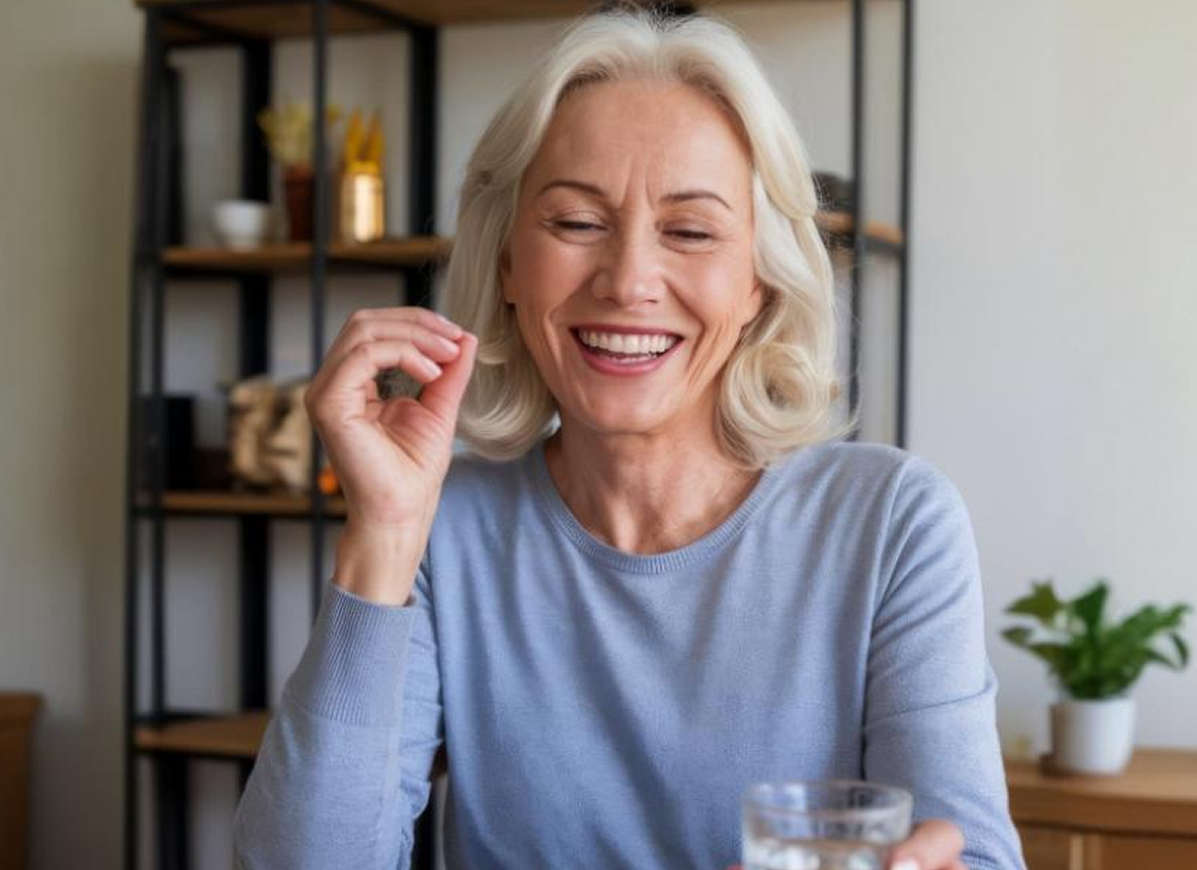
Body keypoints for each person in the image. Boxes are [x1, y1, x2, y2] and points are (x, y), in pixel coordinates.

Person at [234, 9, 1024, 870]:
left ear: (759, 279)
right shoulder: (443, 529)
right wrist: (383, 533)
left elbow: (968, 854)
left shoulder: (891, 523)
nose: (628, 281)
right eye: (576, 223)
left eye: (690, 230)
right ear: (505, 261)